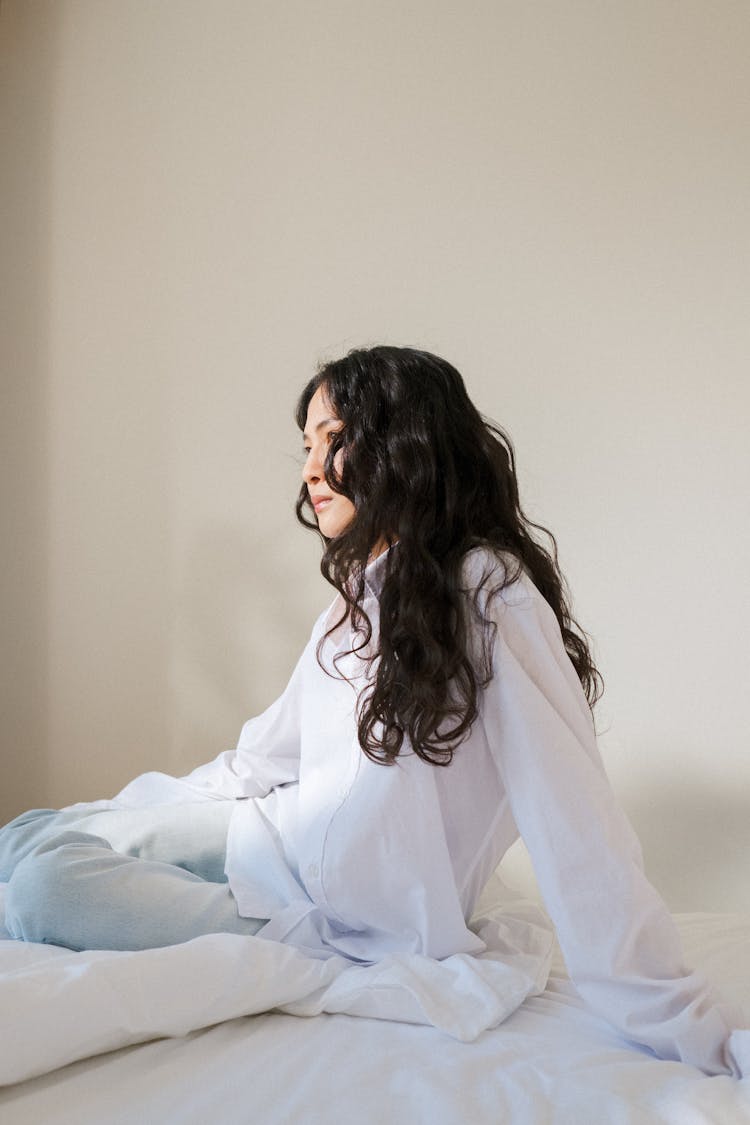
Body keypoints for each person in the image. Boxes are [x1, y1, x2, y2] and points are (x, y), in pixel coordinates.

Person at [0, 345, 744, 1075]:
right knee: (29, 835)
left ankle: (287, 953)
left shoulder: (489, 591)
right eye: (306, 445)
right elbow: (265, 758)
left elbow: (576, 825)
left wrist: (691, 1028)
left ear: (402, 444)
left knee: (42, 886)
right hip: (271, 838)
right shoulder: (358, 595)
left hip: (344, 924)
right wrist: (119, 818)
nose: (309, 470)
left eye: (333, 440)